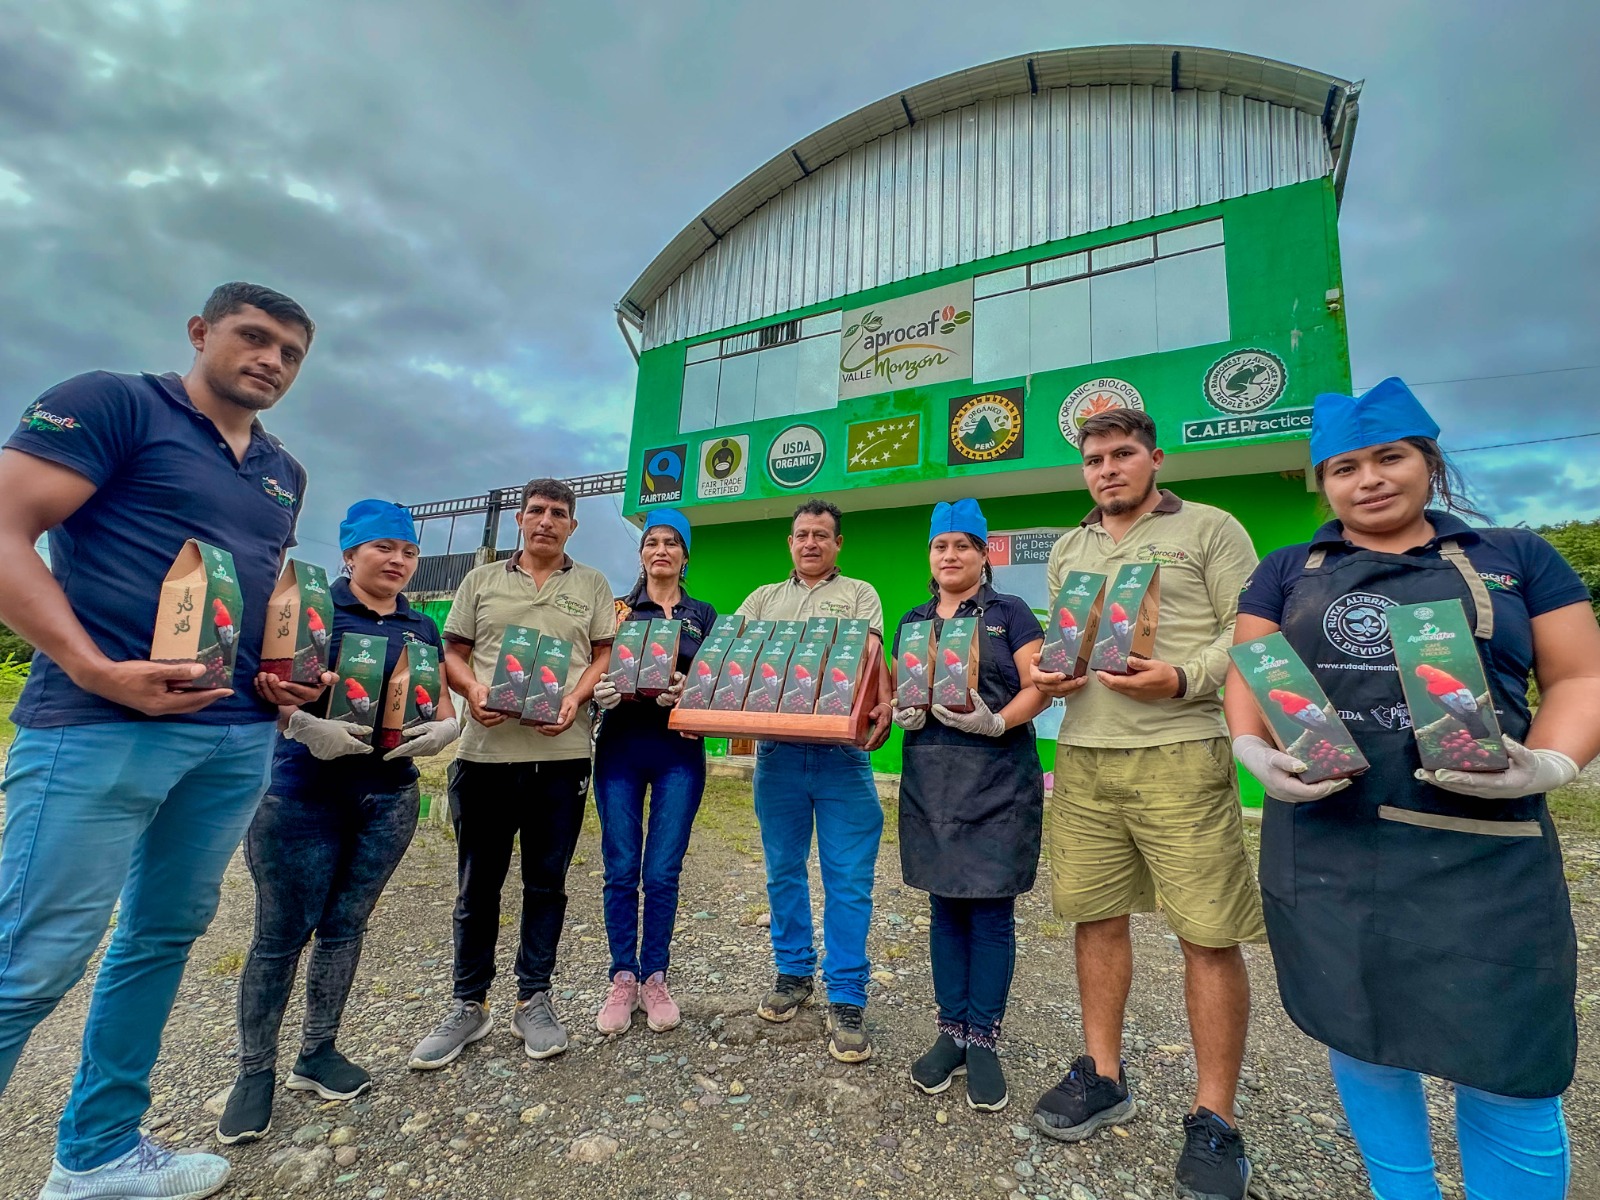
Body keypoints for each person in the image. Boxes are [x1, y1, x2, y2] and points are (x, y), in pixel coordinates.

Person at [1227, 378, 1600, 1200]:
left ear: (1428, 461)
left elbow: (1579, 677)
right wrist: (1252, 747)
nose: (1369, 479)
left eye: (1389, 457)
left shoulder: (1517, 557)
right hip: (1331, 846)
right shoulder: (1287, 569)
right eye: (1344, 466)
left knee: (1512, 1062)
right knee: (1360, 1041)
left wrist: (1549, 766)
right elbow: (1248, 673)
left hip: (1486, 856)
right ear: (1323, 482)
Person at [0, 283, 326, 1199]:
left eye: (291, 353)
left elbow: (247, 588)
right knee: (33, 956)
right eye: (253, 338)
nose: (271, 360)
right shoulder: (111, 403)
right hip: (98, 726)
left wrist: (279, 673)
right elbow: (6, 528)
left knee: (161, 936)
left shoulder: (281, 471)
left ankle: (97, 1152)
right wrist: (93, 666)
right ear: (199, 333)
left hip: (233, 740)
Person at [1027, 408, 1263, 1200]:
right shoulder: (1071, 547)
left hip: (1182, 754)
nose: (1107, 469)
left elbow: (1251, 628)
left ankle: (1215, 1119)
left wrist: (1185, 675)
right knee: (1096, 918)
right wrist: (1054, 674)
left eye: (1122, 454)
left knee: (1207, 933)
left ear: (1155, 458)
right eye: (1094, 458)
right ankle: (1102, 1074)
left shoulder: (1211, 528)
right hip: (1085, 754)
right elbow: (1071, 639)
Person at [217, 500, 460, 1144]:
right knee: (278, 935)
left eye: (408, 552)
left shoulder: (421, 627)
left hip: (387, 797)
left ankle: (317, 1051)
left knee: (346, 928)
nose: (399, 561)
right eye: (384, 548)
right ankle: (254, 1073)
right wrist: (300, 725)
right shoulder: (310, 609)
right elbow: (257, 688)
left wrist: (445, 727)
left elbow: (436, 699)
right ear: (349, 553)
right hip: (301, 795)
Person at [410, 478, 613, 1069]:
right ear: (521, 521)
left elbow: (603, 654)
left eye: (558, 513)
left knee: (546, 885)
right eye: (536, 512)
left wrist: (576, 698)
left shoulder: (592, 584)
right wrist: (472, 689)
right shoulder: (482, 581)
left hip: (563, 755)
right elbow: (453, 649)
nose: (546, 521)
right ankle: (468, 1004)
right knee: (478, 887)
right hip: (485, 755)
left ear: (572, 525)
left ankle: (534, 997)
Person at [891, 499, 1047, 1112]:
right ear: (930, 556)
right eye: (940, 546)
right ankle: (950, 1030)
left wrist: (998, 721)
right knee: (943, 909)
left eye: (962, 545)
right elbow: (898, 691)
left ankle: (983, 1036)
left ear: (985, 554)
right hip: (931, 780)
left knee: (988, 913)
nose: (950, 555)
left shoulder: (1011, 614)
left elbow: (1041, 686)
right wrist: (899, 709)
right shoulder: (913, 619)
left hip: (997, 778)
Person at [738, 499, 893, 1063]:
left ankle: (847, 995)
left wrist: (880, 707)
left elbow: (869, 657)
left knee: (849, 878)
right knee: (783, 871)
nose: (810, 543)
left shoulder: (859, 595)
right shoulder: (761, 600)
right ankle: (792, 973)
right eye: (802, 534)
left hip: (841, 756)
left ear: (837, 544)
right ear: (790, 542)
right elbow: (736, 660)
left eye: (822, 535)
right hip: (776, 757)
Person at [589, 508, 717, 1036]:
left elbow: (719, 681)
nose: (660, 550)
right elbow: (591, 669)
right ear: (641, 554)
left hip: (678, 754)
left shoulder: (704, 616)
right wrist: (598, 695)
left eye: (671, 543)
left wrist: (692, 692)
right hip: (619, 748)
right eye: (652, 542)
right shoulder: (618, 611)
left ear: (685, 556)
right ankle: (623, 975)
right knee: (620, 866)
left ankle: (656, 976)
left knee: (661, 870)